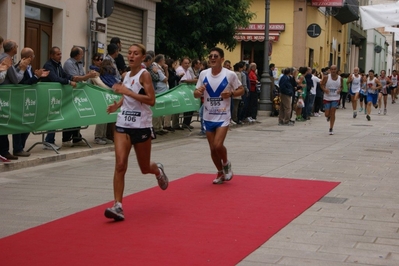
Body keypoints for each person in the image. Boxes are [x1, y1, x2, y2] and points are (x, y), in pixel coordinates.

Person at [104, 44, 168, 221]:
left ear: (142, 58)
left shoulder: (145, 74)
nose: (131, 56)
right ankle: (118, 206)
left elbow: (151, 100)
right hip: (123, 123)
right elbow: (127, 96)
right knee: (120, 164)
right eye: (130, 53)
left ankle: (158, 171)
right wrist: (118, 104)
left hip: (141, 125)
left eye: (136, 54)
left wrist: (127, 92)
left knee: (144, 167)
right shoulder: (125, 75)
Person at [193, 47, 244, 184]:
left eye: (216, 56)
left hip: (222, 116)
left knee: (217, 145)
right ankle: (220, 172)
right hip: (208, 116)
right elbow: (196, 93)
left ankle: (226, 163)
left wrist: (231, 94)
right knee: (212, 149)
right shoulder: (203, 74)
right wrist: (198, 92)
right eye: (210, 56)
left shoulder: (230, 74)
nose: (213, 58)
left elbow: (241, 89)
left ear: (222, 59)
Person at [13, 47, 49, 157]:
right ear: (29, 57)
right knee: (19, 125)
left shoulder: (29, 67)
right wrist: (35, 76)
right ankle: (17, 148)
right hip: (20, 100)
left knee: (28, 124)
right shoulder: (18, 68)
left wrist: (38, 77)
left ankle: (21, 147)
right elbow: (23, 84)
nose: (33, 58)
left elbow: (32, 81)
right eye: (33, 56)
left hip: (29, 100)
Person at [0, 40, 30, 160]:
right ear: (12, 48)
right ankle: (4, 150)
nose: (17, 47)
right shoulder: (6, 59)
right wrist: (22, 69)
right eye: (16, 46)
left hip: (5, 96)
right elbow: (15, 79)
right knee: (5, 123)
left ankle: (4, 150)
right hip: (5, 96)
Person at [62, 46, 97, 148]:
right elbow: (75, 78)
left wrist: (88, 75)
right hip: (70, 92)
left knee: (78, 114)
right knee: (70, 115)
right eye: (81, 54)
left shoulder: (79, 63)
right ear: (77, 55)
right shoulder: (69, 63)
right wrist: (88, 76)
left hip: (78, 93)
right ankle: (66, 138)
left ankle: (77, 138)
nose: (82, 56)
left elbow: (81, 75)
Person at [320, 65, 342, 135]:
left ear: (337, 70)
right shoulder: (326, 77)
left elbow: (341, 86)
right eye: (332, 69)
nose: (333, 71)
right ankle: (328, 117)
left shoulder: (340, 78)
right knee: (327, 114)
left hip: (335, 97)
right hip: (327, 97)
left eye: (334, 69)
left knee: (333, 112)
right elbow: (321, 85)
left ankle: (331, 128)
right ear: (330, 70)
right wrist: (324, 89)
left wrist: (339, 90)